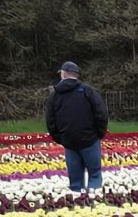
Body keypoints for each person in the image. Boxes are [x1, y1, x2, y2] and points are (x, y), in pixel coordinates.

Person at [44, 61, 110, 193]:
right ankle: (94, 200)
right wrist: (99, 133)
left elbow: (50, 121)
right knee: (94, 175)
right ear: (76, 75)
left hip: (69, 141)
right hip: (90, 139)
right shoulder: (87, 91)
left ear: (63, 74)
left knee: (75, 181)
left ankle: (77, 203)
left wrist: (60, 139)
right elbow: (101, 114)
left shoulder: (55, 95)